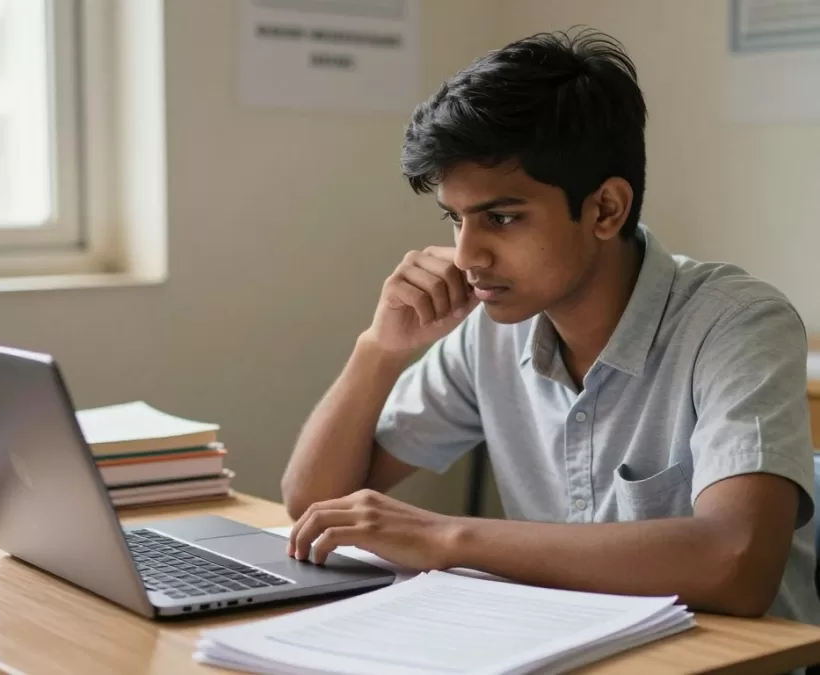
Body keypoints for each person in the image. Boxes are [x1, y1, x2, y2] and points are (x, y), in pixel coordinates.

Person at [280, 28, 820, 625]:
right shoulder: (490, 330)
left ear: (606, 209)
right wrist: (378, 349)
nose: (466, 256)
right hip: (564, 650)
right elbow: (314, 507)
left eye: (503, 218)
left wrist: (448, 538)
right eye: (455, 219)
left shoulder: (736, 324)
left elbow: (737, 565)